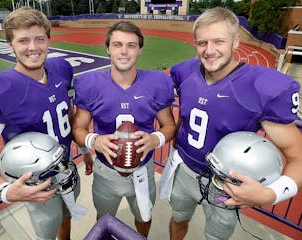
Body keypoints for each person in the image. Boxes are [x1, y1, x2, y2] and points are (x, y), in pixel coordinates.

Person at [160, 7, 302, 240]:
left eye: (218, 41)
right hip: (184, 170)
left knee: (216, 237)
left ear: (236, 41)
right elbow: (185, 114)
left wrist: (270, 194)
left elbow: (299, 157)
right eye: (202, 43)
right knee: (178, 219)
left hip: (226, 184)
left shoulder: (258, 86)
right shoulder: (184, 71)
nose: (209, 50)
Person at [0, 7, 92, 240]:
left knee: (67, 217)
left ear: (48, 41)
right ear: (10, 45)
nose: (33, 48)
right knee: (46, 232)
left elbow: (70, 116)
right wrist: (6, 191)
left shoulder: (61, 69)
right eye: (23, 40)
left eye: (39, 39)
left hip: (66, 168)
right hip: (35, 183)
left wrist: (84, 150)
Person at [72, 21, 176, 237]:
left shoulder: (157, 82)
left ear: (140, 49)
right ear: (108, 48)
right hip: (105, 172)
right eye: (117, 44)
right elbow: (79, 129)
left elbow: (169, 126)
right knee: (104, 218)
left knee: (144, 217)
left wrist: (155, 139)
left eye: (131, 45)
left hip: (143, 170)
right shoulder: (90, 83)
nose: (124, 51)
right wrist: (94, 141)